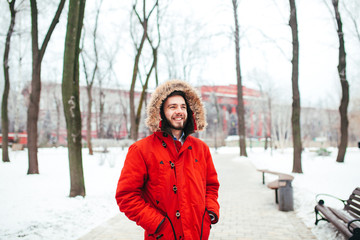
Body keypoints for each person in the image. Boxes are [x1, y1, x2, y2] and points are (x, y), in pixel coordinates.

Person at [115, 79, 220, 240]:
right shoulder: (141, 150)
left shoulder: (201, 149)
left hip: (197, 234)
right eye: (172, 107)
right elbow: (126, 196)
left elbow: (211, 186)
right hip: (163, 236)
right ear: (160, 112)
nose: (179, 111)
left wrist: (210, 213)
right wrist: (158, 224)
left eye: (183, 107)